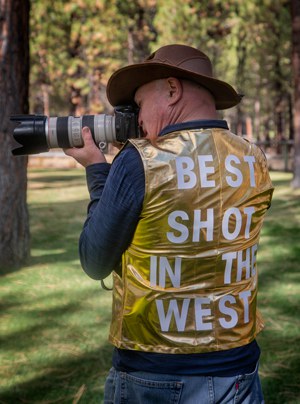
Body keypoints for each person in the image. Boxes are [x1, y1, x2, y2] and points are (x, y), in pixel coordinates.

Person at [64, 44, 274, 403]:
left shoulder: (139, 162)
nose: (137, 119)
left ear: (173, 90)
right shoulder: (254, 158)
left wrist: (98, 169)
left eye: (141, 105)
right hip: (238, 369)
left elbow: (94, 259)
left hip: (154, 373)